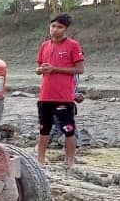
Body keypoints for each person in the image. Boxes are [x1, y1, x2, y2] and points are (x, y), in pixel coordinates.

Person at [35, 13, 85, 168]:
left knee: (68, 129)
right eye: (53, 26)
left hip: (63, 96)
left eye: (60, 27)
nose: (55, 30)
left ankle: (70, 161)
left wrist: (55, 69)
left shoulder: (73, 45)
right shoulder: (44, 45)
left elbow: (80, 69)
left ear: (66, 29)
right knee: (44, 129)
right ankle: (40, 160)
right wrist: (40, 70)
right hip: (45, 96)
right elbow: (39, 68)